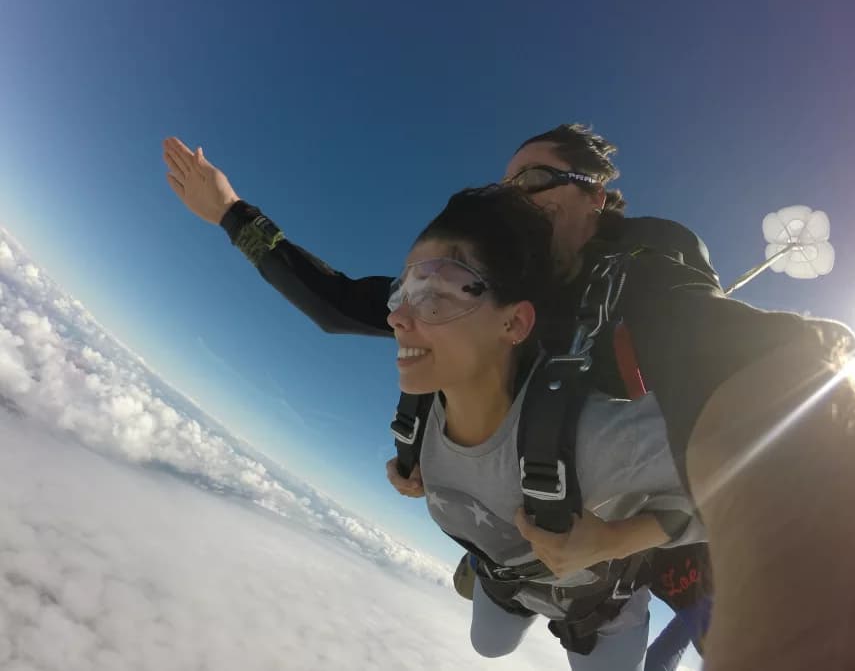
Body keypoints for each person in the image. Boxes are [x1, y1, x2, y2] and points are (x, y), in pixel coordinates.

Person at [161, 124, 716, 662]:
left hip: (610, 535)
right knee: (489, 643)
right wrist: (233, 214)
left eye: (534, 180)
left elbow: (717, 363)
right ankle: (493, 563)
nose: (515, 197)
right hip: (521, 501)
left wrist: (617, 540)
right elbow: (339, 304)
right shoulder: (488, 283)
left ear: (593, 193)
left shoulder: (643, 268)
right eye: (506, 187)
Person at [383, 184, 704, 669]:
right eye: (404, 289)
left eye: (440, 289)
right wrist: (411, 464)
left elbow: (751, 486)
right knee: (488, 646)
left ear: (513, 324)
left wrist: (616, 541)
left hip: (598, 609)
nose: (398, 315)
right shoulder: (420, 412)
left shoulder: (592, 438)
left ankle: (658, 590)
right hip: (505, 579)